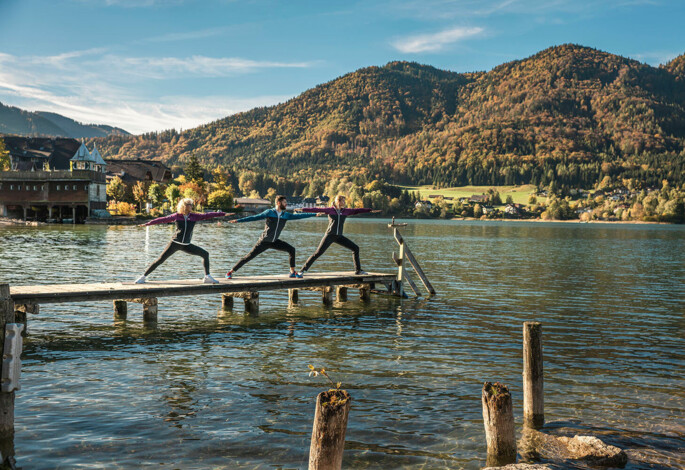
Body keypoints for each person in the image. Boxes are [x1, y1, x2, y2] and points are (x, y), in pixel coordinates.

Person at [134, 198, 228, 284]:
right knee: (160, 260)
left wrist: (222, 214)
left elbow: (207, 215)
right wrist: (148, 223)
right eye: (190, 204)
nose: (191, 206)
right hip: (175, 243)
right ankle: (143, 277)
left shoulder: (194, 216)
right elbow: (163, 219)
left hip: (186, 245)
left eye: (191, 204)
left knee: (205, 254)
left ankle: (207, 277)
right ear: (184, 206)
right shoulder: (177, 216)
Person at [225, 195, 317, 278]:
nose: (286, 204)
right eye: (284, 202)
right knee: (248, 257)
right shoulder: (269, 212)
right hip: (264, 241)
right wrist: (238, 221)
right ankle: (230, 272)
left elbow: (300, 216)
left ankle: (292, 272)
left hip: (274, 241)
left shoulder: (286, 215)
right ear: (278, 203)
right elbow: (254, 217)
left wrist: (314, 214)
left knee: (291, 249)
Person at [298, 195, 375, 276]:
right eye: (343, 201)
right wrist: (303, 209)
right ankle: (302, 270)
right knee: (317, 253)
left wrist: (369, 210)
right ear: (338, 201)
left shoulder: (345, 211)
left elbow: (356, 211)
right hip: (329, 235)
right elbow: (317, 209)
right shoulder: (330, 210)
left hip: (339, 236)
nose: (344, 203)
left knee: (355, 248)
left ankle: (358, 270)